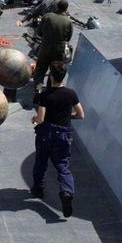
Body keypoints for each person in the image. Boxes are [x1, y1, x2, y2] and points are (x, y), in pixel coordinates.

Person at [30, 63, 85, 217]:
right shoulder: (71, 94)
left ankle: (38, 189)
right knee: (62, 166)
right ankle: (66, 192)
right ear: (64, 75)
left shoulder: (45, 94)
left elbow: (40, 119)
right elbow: (81, 115)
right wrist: (68, 116)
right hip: (63, 135)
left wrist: (33, 119)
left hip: (46, 134)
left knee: (41, 162)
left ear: (51, 76)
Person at [33, 0, 74, 89]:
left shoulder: (47, 16)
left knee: (40, 70)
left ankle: (38, 89)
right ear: (66, 9)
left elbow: (39, 32)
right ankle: (50, 89)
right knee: (54, 71)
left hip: (45, 48)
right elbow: (68, 38)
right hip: (59, 51)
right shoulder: (68, 21)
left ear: (57, 7)